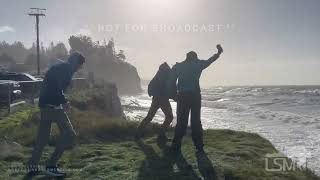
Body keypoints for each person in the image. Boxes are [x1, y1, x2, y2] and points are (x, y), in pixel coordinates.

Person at [27, 52, 85, 177]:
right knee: (69, 135)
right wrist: (64, 101)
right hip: (53, 106)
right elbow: (55, 86)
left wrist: (61, 100)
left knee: (42, 139)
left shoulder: (61, 67)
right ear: (76, 63)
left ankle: (32, 166)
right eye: (80, 65)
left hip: (46, 104)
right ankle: (51, 166)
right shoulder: (66, 69)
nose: (80, 68)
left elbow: (53, 85)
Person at [169, 45, 223, 154]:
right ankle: (199, 146)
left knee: (181, 121)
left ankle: (176, 145)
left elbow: (171, 81)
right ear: (195, 58)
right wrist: (218, 53)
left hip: (182, 96)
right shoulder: (198, 64)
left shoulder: (178, 66)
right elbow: (210, 61)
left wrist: (174, 94)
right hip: (195, 96)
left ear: (187, 57)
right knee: (196, 121)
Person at [136, 62, 174, 142]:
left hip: (156, 99)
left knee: (149, 117)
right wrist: (174, 96)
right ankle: (161, 135)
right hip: (163, 99)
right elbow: (168, 88)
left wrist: (153, 94)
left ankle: (137, 133)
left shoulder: (159, 75)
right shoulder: (166, 75)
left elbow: (150, 86)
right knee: (169, 117)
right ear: (166, 69)